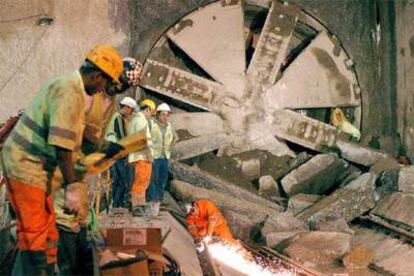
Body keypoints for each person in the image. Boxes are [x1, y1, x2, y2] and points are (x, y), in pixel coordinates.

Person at [0, 44, 123, 275]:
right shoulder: (69, 92)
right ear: (96, 75)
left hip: (35, 168)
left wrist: (102, 145)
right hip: (26, 167)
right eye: (104, 84)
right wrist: (73, 187)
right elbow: (63, 147)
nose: (102, 90)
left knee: (48, 236)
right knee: (35, 241)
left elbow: (78, 134)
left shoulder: (75, 91)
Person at [54, 57, 143, 275]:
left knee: (80, 224)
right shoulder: (85, 95)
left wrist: (107, 147)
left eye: (125, 86)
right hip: (61, 170)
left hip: (79, 168)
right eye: (118, 81)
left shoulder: (109, 100)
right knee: (65, 223)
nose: (119, 87)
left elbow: (91, 136)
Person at [105, 96, 136, 208]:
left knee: (118, 181)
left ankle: (116, 204)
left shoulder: (118, 117)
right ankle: (119, 204)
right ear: (127, 108)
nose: (131, 114)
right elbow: (122, 136)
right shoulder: (118, 118)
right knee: (124, 180)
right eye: (131, 110)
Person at [146, 103, 175, 215]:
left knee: (162, 180)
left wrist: (170, 148)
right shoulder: (151, 124)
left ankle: (157, 202)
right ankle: (150, 202)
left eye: (167, 115)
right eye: (163, 114)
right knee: (152, 179)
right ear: (157, 115)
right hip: (154, 157)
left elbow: (174, 137)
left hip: (165, 157)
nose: (165, 117)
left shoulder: (169, 126)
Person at [128, 99, 156, 215]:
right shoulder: (140, 120)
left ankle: (140, 206)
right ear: (148, 109)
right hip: (142, 156)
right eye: (151, 112)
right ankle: (137, 207)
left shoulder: (135, 120)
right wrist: (150, 155)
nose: (151, 115)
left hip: (138, 156)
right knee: (141, 181)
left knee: (142, 182)